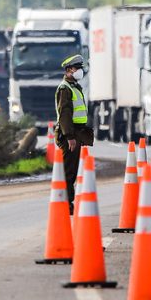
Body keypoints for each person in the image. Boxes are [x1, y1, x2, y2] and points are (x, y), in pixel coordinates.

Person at [54, 54, 94, 214]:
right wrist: (70, 137)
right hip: (70, 135)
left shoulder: (74, 86)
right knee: (68, 171)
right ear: (69, 70)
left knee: (72, 170)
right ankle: (65, 204)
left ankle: (67, 203)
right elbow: (64, 114)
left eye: (80, 68)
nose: (79, 71)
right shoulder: (65, 88)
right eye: (76, 68)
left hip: (76, 133)